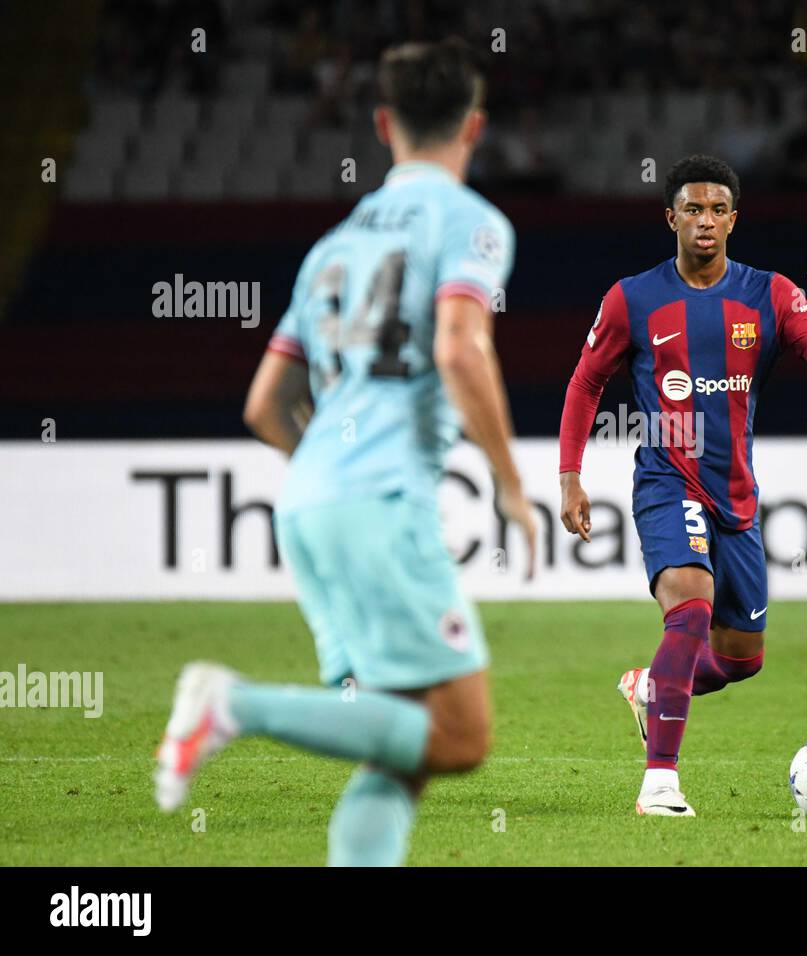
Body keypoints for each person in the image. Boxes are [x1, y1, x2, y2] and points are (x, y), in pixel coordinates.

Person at [153, 38, 537, 866]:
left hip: (309, 498)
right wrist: (509, 483)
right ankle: (236, 705)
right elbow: (462, 350)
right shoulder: (471, 222)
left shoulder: (330, 246)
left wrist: (328, 475)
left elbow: (264, 406)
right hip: (379, 502)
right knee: (461, 735)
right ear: (474, 127)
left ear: (382, 124)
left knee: (398, 750)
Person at [557, 155, 807, 816]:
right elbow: (586, 383)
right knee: (689, 611)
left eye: (717, 209)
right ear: (671, 217)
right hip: (668, 483)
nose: (705, 221)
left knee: (741, 660)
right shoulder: (633, 298)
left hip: (737, 499)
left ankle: (651, 689)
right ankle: (658, 784)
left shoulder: (772, 296)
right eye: (692, 209)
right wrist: (571, 478)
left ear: (733, 218)